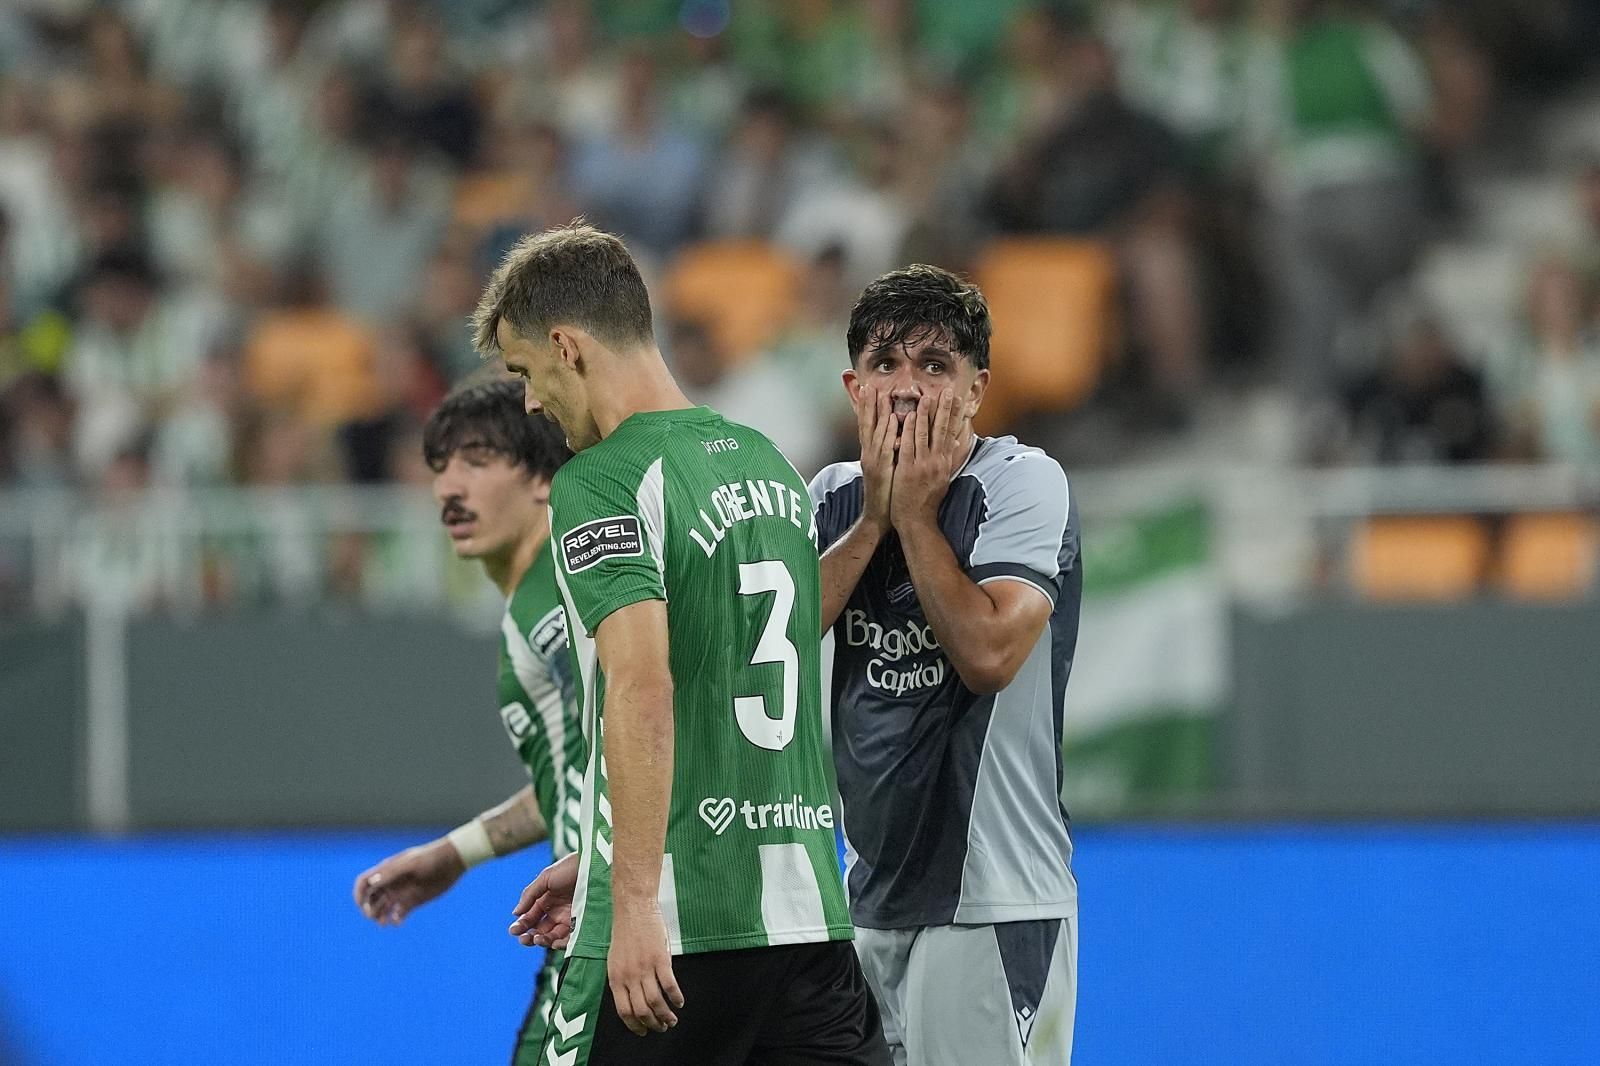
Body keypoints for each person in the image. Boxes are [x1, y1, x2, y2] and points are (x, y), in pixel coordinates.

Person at [480, 223, 889, 1066]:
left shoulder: (601, 481)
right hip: (806, 920)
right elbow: (754, 653)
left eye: (523, 372)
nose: (530, 403)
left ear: (566, 347)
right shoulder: (765, 461)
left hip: (680, 929)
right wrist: (606, 859)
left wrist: (632, 900)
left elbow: (641, 686)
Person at [808, 265, 1082, 1066]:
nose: (906, 388)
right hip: (865, 904)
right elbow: (775, 647)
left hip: (993, 900)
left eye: (934, 366)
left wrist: (917, 520)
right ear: (854, 388)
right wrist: (873, 522)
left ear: (975, 391)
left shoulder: (1023, 485)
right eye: (885, 364)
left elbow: (989, 655)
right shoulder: (829, 497)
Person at [351, 379, 583, 1066]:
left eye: (477, 462)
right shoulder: (536, 597)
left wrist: (612, 880)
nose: (448, 488)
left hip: (607, 930)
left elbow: (656, 731)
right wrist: (456, 853)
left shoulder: (557, 598)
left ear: (543, 478)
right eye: (440, 466)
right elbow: (582, 771)